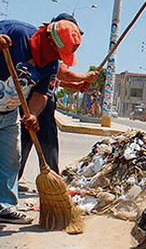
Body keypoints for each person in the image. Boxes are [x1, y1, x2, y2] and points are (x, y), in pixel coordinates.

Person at [0, 15, 83, 231]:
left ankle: (3, 208)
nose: (58, 59)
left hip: (8, 111)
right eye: (58, 53)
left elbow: (42, 94)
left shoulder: (50, 65)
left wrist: (32, 114)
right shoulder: (16, 32)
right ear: (48, 40)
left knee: (10, 159)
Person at [18, 14, 99, 185]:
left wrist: (76, 86)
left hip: (40, 99)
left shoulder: (54, 53)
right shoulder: (47, 48)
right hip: (37, 101)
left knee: (28, 141)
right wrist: (84, 76)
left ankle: (20, 178)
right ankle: (52, 181)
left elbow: (56, 79)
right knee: (46, 143)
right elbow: (62, 72)